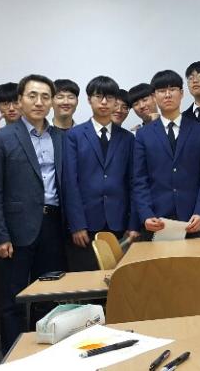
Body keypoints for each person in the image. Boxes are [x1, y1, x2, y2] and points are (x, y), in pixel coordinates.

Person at [0, 74, 65, 355]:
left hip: (53, 225)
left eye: (45, 97)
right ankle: (13, 357)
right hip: (16, 229)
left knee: (48, 296)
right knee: (13, 299)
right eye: (32, 96)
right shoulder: (2, 138)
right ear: (20, 101)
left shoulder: (60, 138)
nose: (39, 102)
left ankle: (43, 355)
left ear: (52, 102)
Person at [62, 76, 139, 271]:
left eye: (109, 98)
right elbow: (70, 182)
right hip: (86, 224)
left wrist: (133, 224)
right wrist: (77, 225)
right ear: (89, 99)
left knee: (119, 279)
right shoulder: (74, 135)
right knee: (86, 280)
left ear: (116, 101)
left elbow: (133, 182)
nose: (104, 102)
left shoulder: (128, 138)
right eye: (98, 97)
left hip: (119, 222)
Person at [132, 70, 200, 238]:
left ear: (182, 93)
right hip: (156, 220)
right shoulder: (143, 134)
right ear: (154, 97)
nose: (168, 95)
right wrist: (146, 214)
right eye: (162, 91)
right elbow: (139, 180)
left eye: (172, 89)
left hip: (192, 220)